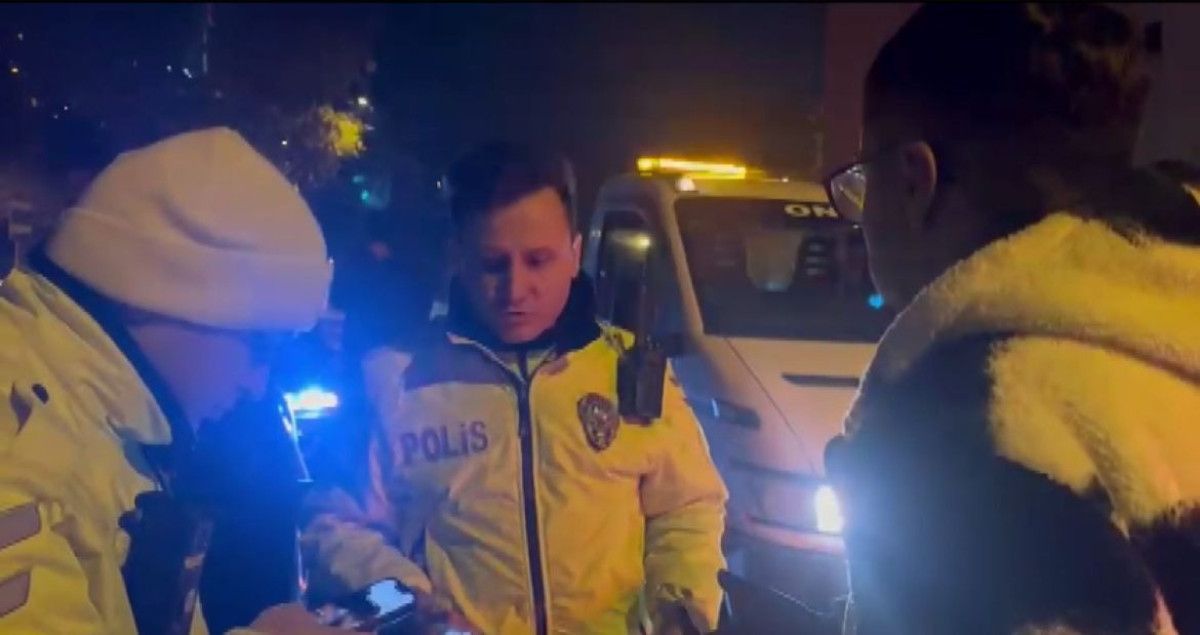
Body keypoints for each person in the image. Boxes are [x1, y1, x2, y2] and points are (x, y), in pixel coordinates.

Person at [822, 3, 1200, 634]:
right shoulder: (1169, 346)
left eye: (863, 181)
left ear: (915, 181)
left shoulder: (964, 436)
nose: (862, 218)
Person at [302, 142, 728, 635]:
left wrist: (682, 608)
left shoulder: (630, 368)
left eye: (538, 260)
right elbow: (331, 529)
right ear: (456, 257)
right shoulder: (394, 379)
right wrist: (409, 606)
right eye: (493, 263)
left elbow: (688, 506)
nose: (516, 288)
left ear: (574, 254)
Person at [0, 127, 345, 634]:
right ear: (161, 296)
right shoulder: (20, 442)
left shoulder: (97, 421)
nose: (256, 385)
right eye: (260, 346)